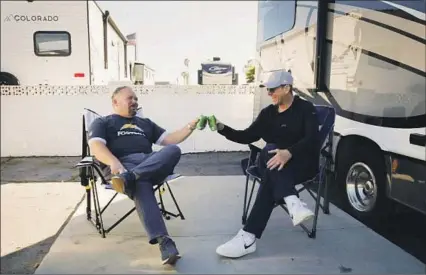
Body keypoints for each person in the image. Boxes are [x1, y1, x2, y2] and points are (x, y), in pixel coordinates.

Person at [88, 86, 199, 265]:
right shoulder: (102, 123)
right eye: (130, 98)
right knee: (141, 184)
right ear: (115, 102)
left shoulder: (145, 123)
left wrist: (190, 126)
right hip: (122, 165)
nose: (135, 102)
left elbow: (170, 139)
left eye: (136, 99)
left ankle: (131, 178)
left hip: (149, 164)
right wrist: (114, 163)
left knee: (173, 150)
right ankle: (165, 242)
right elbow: (96, 148)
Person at [214, 70, 320, 258]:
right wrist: (222, 128)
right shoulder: (268, 114)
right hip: (275, 164)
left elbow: (313, 138)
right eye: (268, 90)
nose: (269, 94)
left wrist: (289, 152)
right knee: (269, 150)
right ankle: (293, 201)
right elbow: (246, 135)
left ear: (287, 88)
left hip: (300, 165)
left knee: (270, 179)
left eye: (272, 90)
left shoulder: (305, 108)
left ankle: (247, 238)